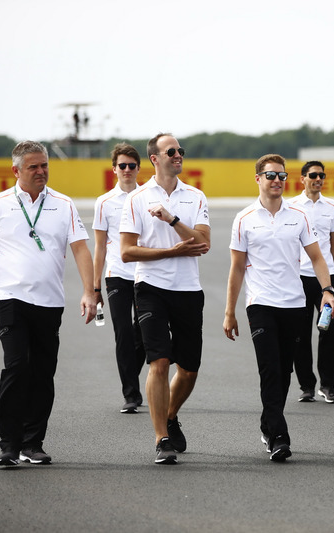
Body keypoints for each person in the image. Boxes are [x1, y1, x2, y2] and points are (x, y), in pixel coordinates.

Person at [0, 140, 97, 467]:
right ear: (16, 170)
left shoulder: (63, 204)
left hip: (50, 302)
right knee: (17, 367)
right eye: (33, 167)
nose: (41, 171)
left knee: (43, 373)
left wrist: (89, 291)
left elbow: (81, 249)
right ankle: (9, 445)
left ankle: (33, 443)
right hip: (10, 299)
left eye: (44, 166)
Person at [223, 154, 334, 462]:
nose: (277, 181)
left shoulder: (299, 216)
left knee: (284, 371)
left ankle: (267, 422)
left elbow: (317, 258)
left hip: (294, 304)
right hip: (260, 303)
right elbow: (236, 268)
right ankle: (279, 436)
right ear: (258, 179)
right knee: (270, 369)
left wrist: (327, 290)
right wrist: (229, 311)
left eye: (282, 176)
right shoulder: (244, 218)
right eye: (270, 175)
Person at [119, 133, 210, 465]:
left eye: (180, 151)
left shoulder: (195, 196)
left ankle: (170, 415)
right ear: (155, 159)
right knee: (159, 362)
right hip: (151, 288)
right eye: (171, 151)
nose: (178, 155)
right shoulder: (137, 198)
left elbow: (202, 244)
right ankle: (162, 438)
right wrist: (172, 251)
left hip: (188, 289)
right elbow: (127, 253)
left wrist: (172, 220)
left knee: (188, 369)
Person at [93, 143, 145, 414]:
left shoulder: (148, 197)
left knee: (143, 333)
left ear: (138, 168)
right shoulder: (104, 202)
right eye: (122, 166)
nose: (127, 170)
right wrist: (94, 287)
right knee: (123, 333)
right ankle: (131, 393)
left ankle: (131, 377)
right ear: (114, 169)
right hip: (116, 276)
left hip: (145, 275)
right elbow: (99, 247)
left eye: (132, 166)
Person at [288, 161, 334, 403]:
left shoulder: (332, 206)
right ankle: (306, 386)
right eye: (313, 175)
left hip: (326, 279)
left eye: (322, 175)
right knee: (299, 334)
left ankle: (328, 385)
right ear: (303, 178)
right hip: (298, 277)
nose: (318, 179)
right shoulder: (290, 205)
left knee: (328, 331)